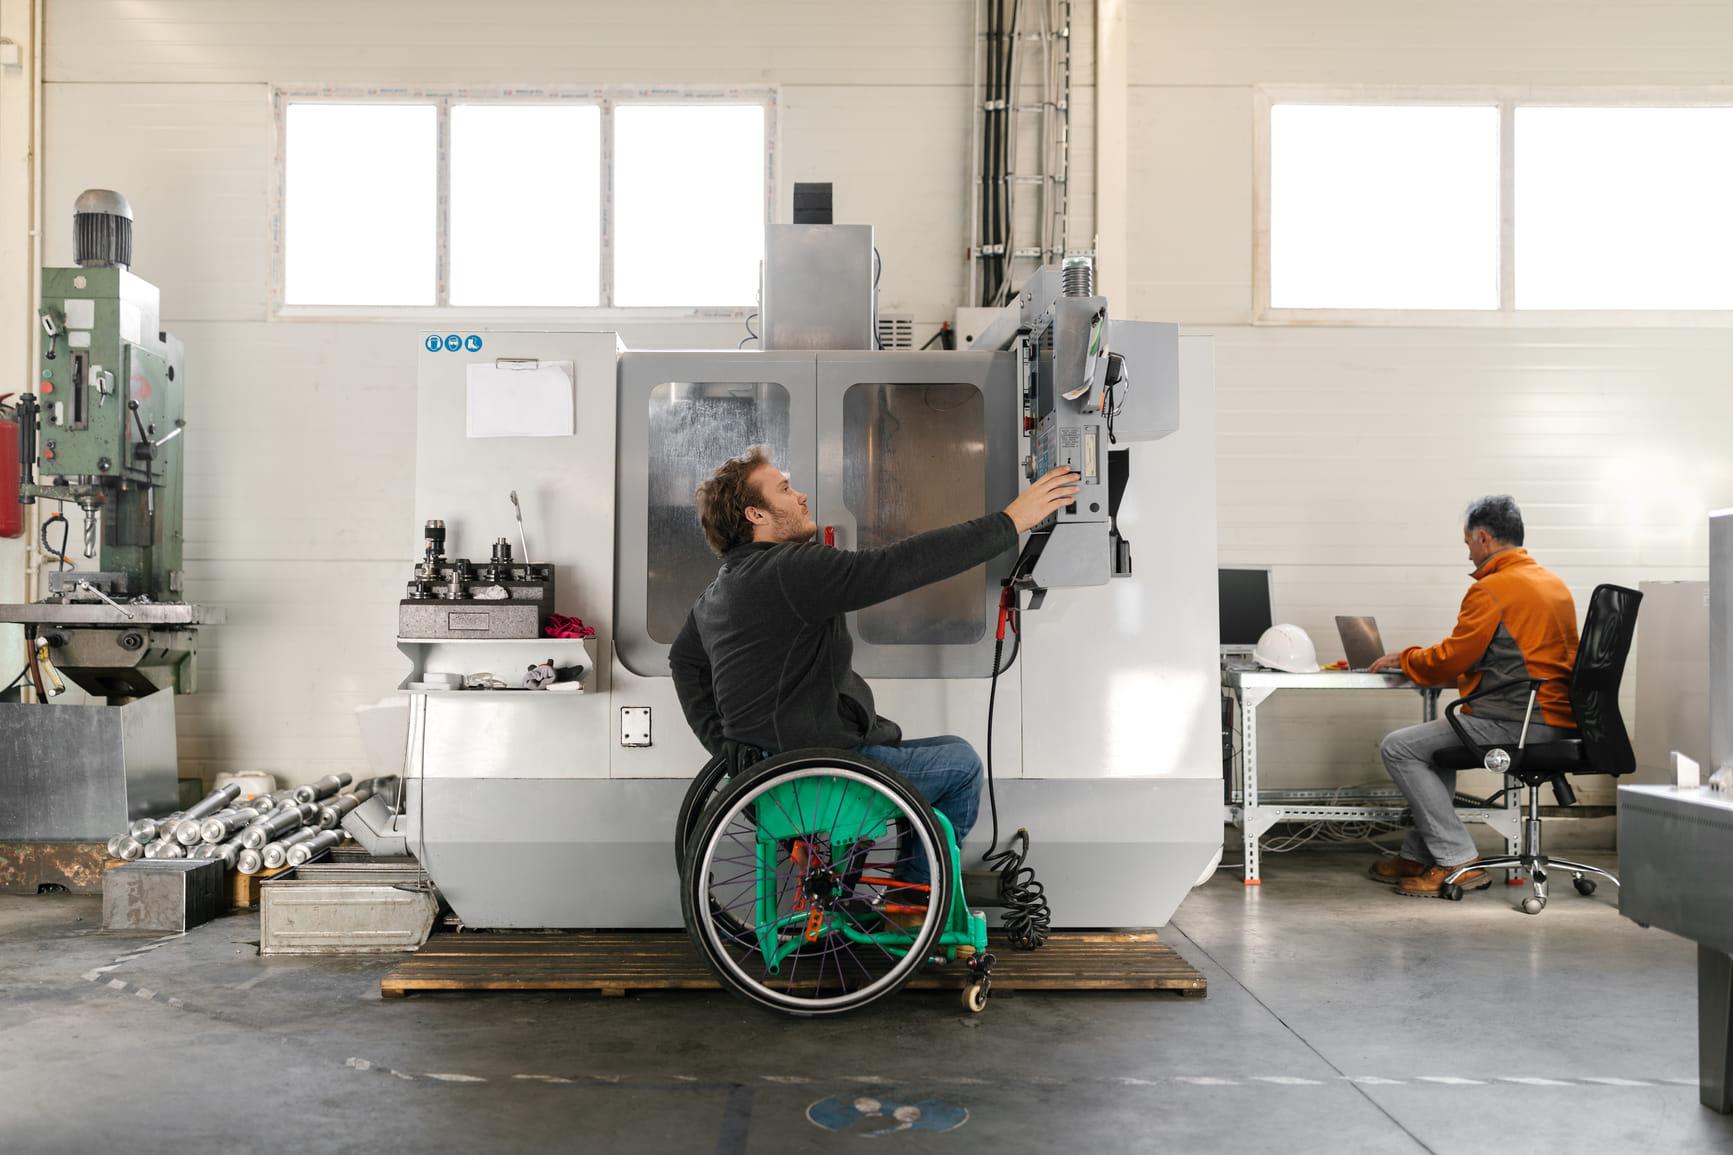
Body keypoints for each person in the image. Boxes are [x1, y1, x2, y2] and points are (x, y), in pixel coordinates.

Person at [669, 445, 1080, 883]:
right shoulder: (789, 570)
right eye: (785, 489)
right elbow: (894, 567)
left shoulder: (718, 592)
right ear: (756, 515)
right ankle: (915, 898)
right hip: (819, 772)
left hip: (772, 777)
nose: (802, 496)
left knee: (943, 747)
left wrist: (723, 743)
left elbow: (683, 661)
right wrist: (1011, 521)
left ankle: (900, 894)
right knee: (962, 767)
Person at [1366, 495, 1579, 898]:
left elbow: (1452, 658)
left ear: (1483, 538)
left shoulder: (1495, 588)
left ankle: (1457, 859)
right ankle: (1418, 854)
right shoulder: (1553, 584)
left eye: (1467, 543)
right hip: (1557, 720)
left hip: (1515, 722)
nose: (1468, 554)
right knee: (1431, 746)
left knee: (1399, 748)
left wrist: (1409, 658)